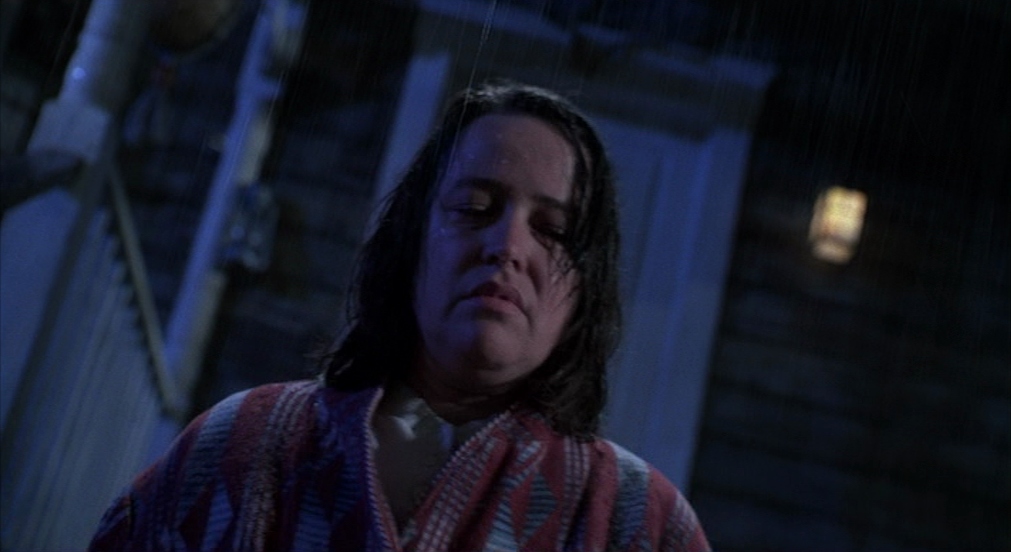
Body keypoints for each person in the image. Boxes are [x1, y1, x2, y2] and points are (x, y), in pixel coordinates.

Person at [90, 81, 711, 551]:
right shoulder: (246, 443)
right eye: (474, 207)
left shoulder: (638, 522)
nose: (507, 246)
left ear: (584, 291)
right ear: (412, 242)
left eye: (552, 230)